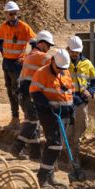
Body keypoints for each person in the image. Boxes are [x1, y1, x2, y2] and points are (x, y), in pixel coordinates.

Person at [29, 48, 76, 189]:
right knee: (55, 144)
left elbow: (70, 91)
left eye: (63, 68)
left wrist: (71, 112)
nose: (60, 70)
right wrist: (50, 105)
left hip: (64, 114)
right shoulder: (41, 73)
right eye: (58, 67)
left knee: (56, 145)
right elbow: (35, 94)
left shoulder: (65, 72)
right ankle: (43, 177)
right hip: (49, 114)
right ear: (53, 61)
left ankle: (49, 176)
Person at [11, 30, 55, 159]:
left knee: (33, 123)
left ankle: (34, 153)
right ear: (41, 43)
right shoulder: (41, 56)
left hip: (24, 93)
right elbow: (54, 64)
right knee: (33, 122)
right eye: (48, 45)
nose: (49, 49)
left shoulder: (30, 54)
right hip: (30, 94)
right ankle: (17, 147)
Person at [0, 1, 35, 128]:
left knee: (17, 91)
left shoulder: (24, 27)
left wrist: (26, 57)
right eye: (10, 14)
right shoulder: (4, 26)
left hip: (18, 64)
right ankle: (15, 117)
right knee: (9, 90)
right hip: (7, 63)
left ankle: (28, 117)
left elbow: (35, 44)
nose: (12, 16)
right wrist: (3, 54)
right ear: (6, 14)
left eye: (14, 14)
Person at [66, 35, 95, 152]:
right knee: (67, 129)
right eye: (73, 52)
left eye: (77, 52)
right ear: (68, 49)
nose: (75, 54)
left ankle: (75, 151)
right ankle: (65, 154)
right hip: (66, 100)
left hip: (81, 100)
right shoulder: (62, 62)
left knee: (81, 126)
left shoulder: (87, 63)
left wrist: (90, 91)